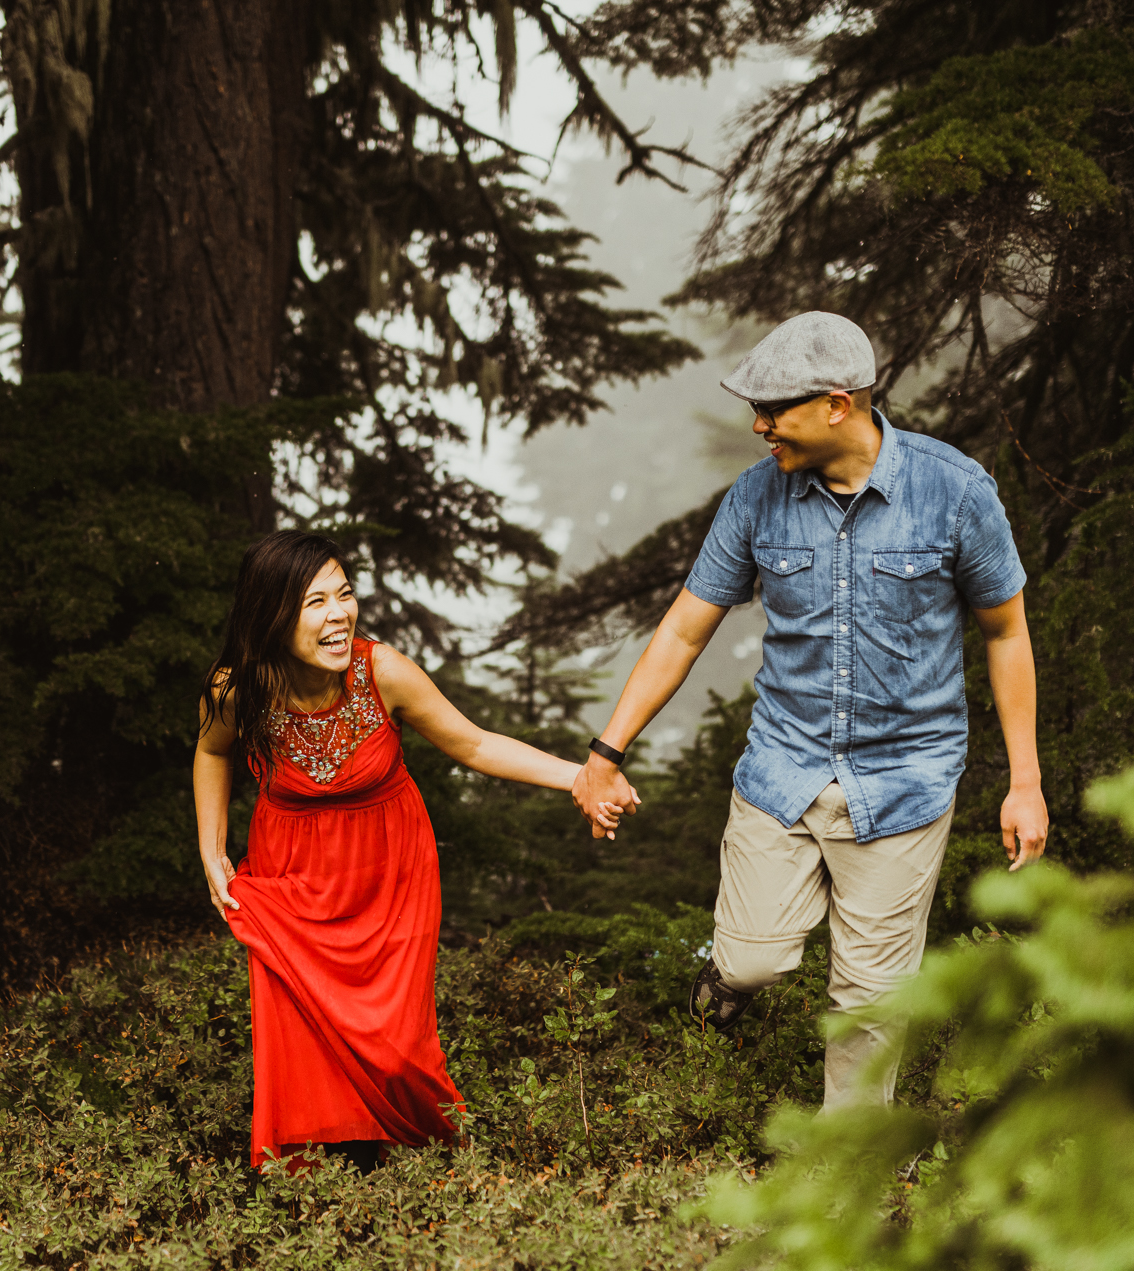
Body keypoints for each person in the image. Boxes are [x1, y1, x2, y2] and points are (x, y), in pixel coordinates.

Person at [571, 312, 1048, 1110]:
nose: (758, 426)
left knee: (869, 1006)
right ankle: (723, 981)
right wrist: (606, 748)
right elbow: (688, 626)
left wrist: (1024, 780)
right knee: (754, 961)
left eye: (773, 410)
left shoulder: (956, 491)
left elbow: (1006, 631)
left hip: (905, 782)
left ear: (837, 404)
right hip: (782, 771)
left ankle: (843, 1187)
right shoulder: (756, 497)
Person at [194, 531, 610, 1171]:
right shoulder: (236, 688)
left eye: (345, 595)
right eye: (315, 602)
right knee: (301, 1038)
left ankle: (436, 1165)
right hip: (289, 875)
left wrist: (578, 777)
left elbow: (473, 745)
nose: (340, 615)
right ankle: (317, 1188)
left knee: (393, 1046)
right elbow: (213, 751)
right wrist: (212, 848)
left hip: (389, 872)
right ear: (271, 615)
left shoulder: (380, 671)